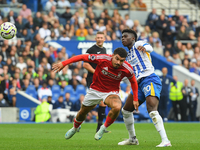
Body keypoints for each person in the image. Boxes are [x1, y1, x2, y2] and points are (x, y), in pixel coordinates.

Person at [52, 47, 139, 141]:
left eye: (121, 60)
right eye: (117, 58)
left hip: (111, 92)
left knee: (117, 107)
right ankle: (75, 128)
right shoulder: (103, 58)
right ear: (112, 56)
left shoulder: (127, 68)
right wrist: (63, 63)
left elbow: (133, 82)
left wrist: (135, 98)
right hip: (95, 90)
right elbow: (82, 57)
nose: (118, 62)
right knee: (82, 112)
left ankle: (103, 128)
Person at [119, 28, 171, 147]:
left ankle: (166, 140)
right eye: (122, 36)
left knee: (152, 110)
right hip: (138, 84)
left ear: (133, 38)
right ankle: (132, 139)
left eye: (125, 36)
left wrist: (145, 48)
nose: (123, 38)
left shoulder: (138, 44)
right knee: (126, 111)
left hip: (149, 78)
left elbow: (150, 47)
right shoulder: (127, 55)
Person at [83, 31, 108, 132]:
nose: (100, 39)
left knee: (103, 103)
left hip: (101, 80)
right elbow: (85, 64)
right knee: (91, 104)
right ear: (95, 39)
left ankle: (99, 127)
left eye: (101, 37)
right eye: (98, 37)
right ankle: (78, 121)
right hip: (92, 79)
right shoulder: (91, 50)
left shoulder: (104, 50)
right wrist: (96, 72)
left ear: (104, 39)